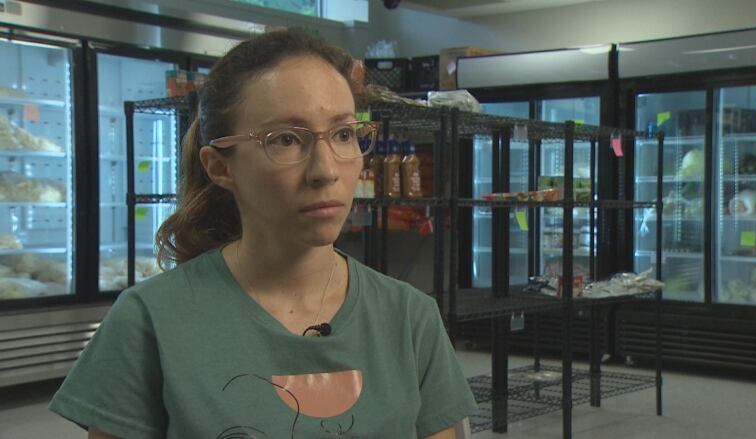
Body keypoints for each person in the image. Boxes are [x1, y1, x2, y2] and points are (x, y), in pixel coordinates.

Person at [49, 29, 477, 438]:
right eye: (287, 139)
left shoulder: (410, 319)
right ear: (220, 166)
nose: (326, 170)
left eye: (345, 134)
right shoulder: (150, 322)